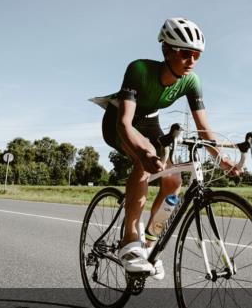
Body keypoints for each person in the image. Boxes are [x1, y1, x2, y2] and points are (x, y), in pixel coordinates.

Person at [96, 18, 241, 275]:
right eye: (185, 53)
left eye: (197, 55)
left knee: (173, 181)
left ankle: (150, 245)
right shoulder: (139, 69)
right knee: (145, 159)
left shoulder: (191, 81)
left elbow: (204, 129)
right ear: (166, 50)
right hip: (119, 121)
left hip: (150, 121)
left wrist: (223, 160)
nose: (192, 61)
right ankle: (129, 241)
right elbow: (125, 123)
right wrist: (143, 153)